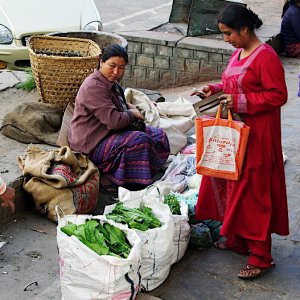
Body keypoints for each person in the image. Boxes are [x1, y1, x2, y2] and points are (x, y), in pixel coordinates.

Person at [192, 3, 289, 279]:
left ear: (245, 30)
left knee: (254, 193)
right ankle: (237, 239)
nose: (226, 39)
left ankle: (261, 256)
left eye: (228, 33)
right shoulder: (238, 54)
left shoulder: (266, 57)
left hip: (258, 135)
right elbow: (233, 84)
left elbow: (277, 95)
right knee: (231, 185)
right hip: (236, 134)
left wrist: (241, 101)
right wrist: (214, 89)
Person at [68, 44, 170, 192]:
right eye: (112, 65)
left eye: (121, 67)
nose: (116, 72)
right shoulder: (93, 87)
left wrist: (129, 107)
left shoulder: (109, 83)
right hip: (91, 145)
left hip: (108, 134)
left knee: (159, 135)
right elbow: (114, 121)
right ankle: (118, 181)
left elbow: (115, 102)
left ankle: (144, 172)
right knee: (139, 140)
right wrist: (132, 114)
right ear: (101, 62)